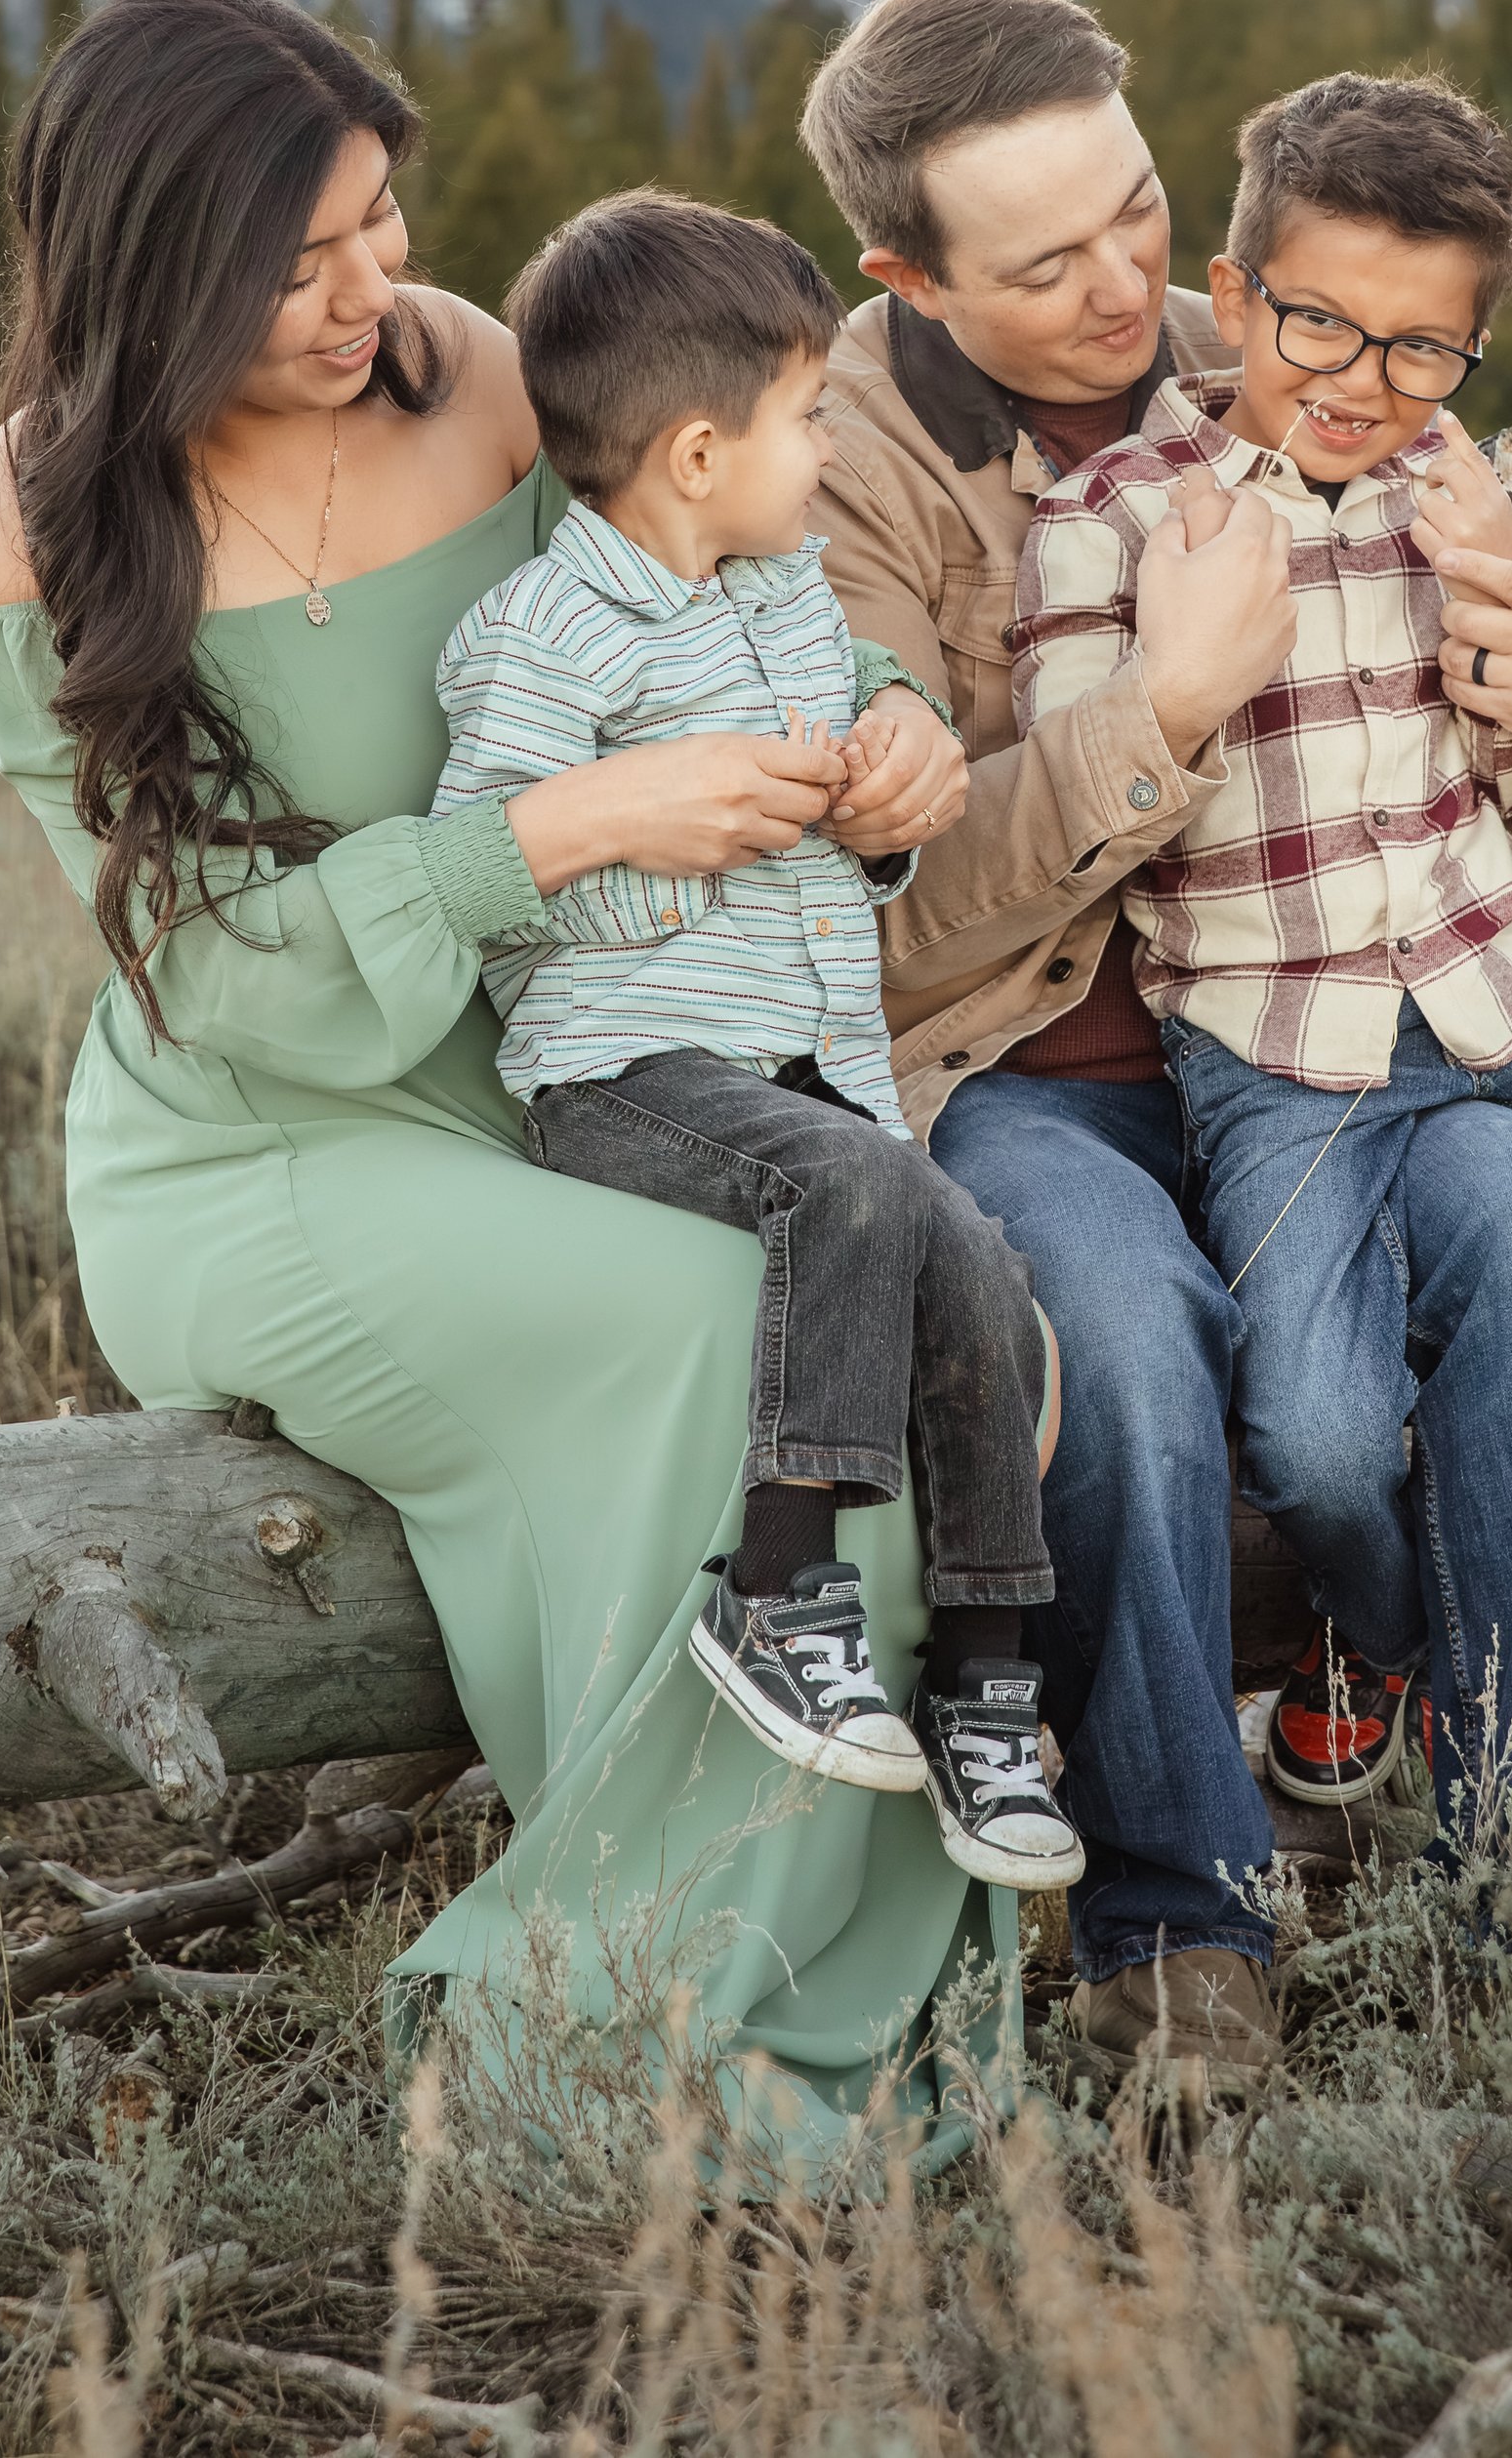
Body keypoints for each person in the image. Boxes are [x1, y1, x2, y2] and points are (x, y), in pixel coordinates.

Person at [0, 0, 1009, 2175]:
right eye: (295, 258)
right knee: (730, 1328)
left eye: (374, 220)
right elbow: (211, 970)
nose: (363, 289)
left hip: (565, 1071)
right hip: (271, 1150)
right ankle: (606, 2039)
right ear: (150, 266)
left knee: (899, 1294)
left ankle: (779, 1989)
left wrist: (879, 711)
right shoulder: (39, 511)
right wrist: (556, 832)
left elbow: (709, 586)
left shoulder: (481, 378)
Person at [800, 0, 1512, 2097]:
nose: (1120, 294)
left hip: (1360, 1020)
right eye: (1042, 260)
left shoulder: (1279, 338)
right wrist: (1155, 709)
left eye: (1139, 214)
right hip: (1031, 1069)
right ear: (905, 271)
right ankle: (1178, 1929)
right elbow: (869, 936)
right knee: (1144, 1373)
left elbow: (1476, 775)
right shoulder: (838, 478)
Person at [1011, 67, 1512, 1841]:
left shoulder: (1445, 495)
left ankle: (1464, 1690)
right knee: (1309, 1438)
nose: (1365, 382)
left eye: (1423, 350)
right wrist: (1181, 676)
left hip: (1504, 1004)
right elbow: (1081, 799)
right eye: (1321, 324)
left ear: (1467, 357)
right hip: (1277, 1055)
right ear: (1235, 301)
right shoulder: (1116, 521)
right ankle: (1405, 1650)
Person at [429, 188, 1081, 1891]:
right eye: (811, 417)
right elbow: (494, 876)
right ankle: (779, 1591)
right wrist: (661, 841)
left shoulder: (790, 595)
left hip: (807, 1070)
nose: (832, 445)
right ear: (700, 454)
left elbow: (891, 710)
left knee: (985, 1271)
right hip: (624, 1072)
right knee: (858, 1191)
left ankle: (994, 1690)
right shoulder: (540, 640)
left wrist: (887, 771)